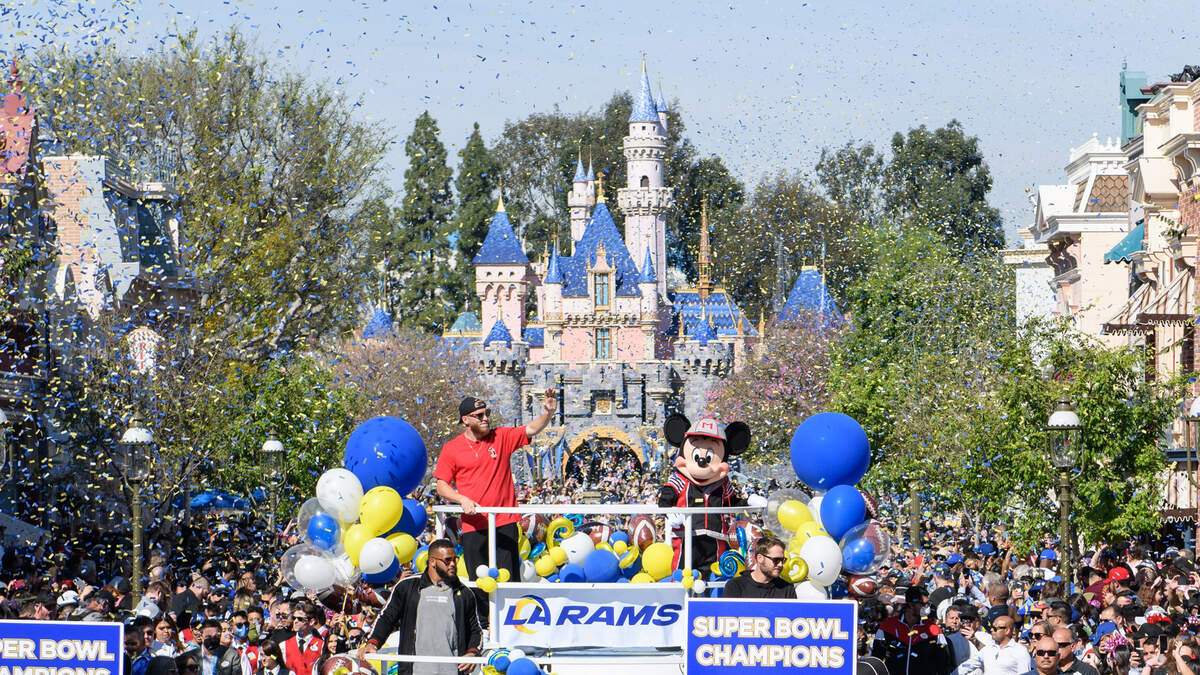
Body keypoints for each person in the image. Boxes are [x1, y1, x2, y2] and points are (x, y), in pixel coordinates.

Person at [434, 392, 556, 584]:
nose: (485, 418)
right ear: (465, 420)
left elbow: (531, 429)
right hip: (473, 526)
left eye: (487, 413)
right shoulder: (452, 448)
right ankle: (483, 616)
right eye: (479, 415)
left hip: (504, 523)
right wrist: (462, 499)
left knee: (508, 582)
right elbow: (441, 485)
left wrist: (548, 413)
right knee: (479, 584)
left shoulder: (501, 436)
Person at [357, 538, 482, 675]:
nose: (452, 564)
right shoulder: (407, 586)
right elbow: (387, 618)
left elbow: (476, 630)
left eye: (455, 560)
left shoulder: (464, 593)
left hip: (452, 671)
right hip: (414, 671)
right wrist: (372, 643)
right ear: (432, 561)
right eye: (447, 560)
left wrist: (472, 653)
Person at [873, 586, 953, 675]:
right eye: (923, 604)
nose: (927, 608)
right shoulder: (887, 626)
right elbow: (877, 658)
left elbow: (944, 664)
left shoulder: (934, 629)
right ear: (911, 604)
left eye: (928, 604)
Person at [722, 537, 796, 599]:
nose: (780, 564)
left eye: (782, 560)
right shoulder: (736, 586)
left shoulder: (787, 589)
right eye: (775, 560)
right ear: (760, 558)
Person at [280, 602, 323, 675]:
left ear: (311, 621)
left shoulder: (321, 645)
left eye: (300, 619)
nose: (295, 621)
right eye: (294, 618)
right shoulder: (283, 645)